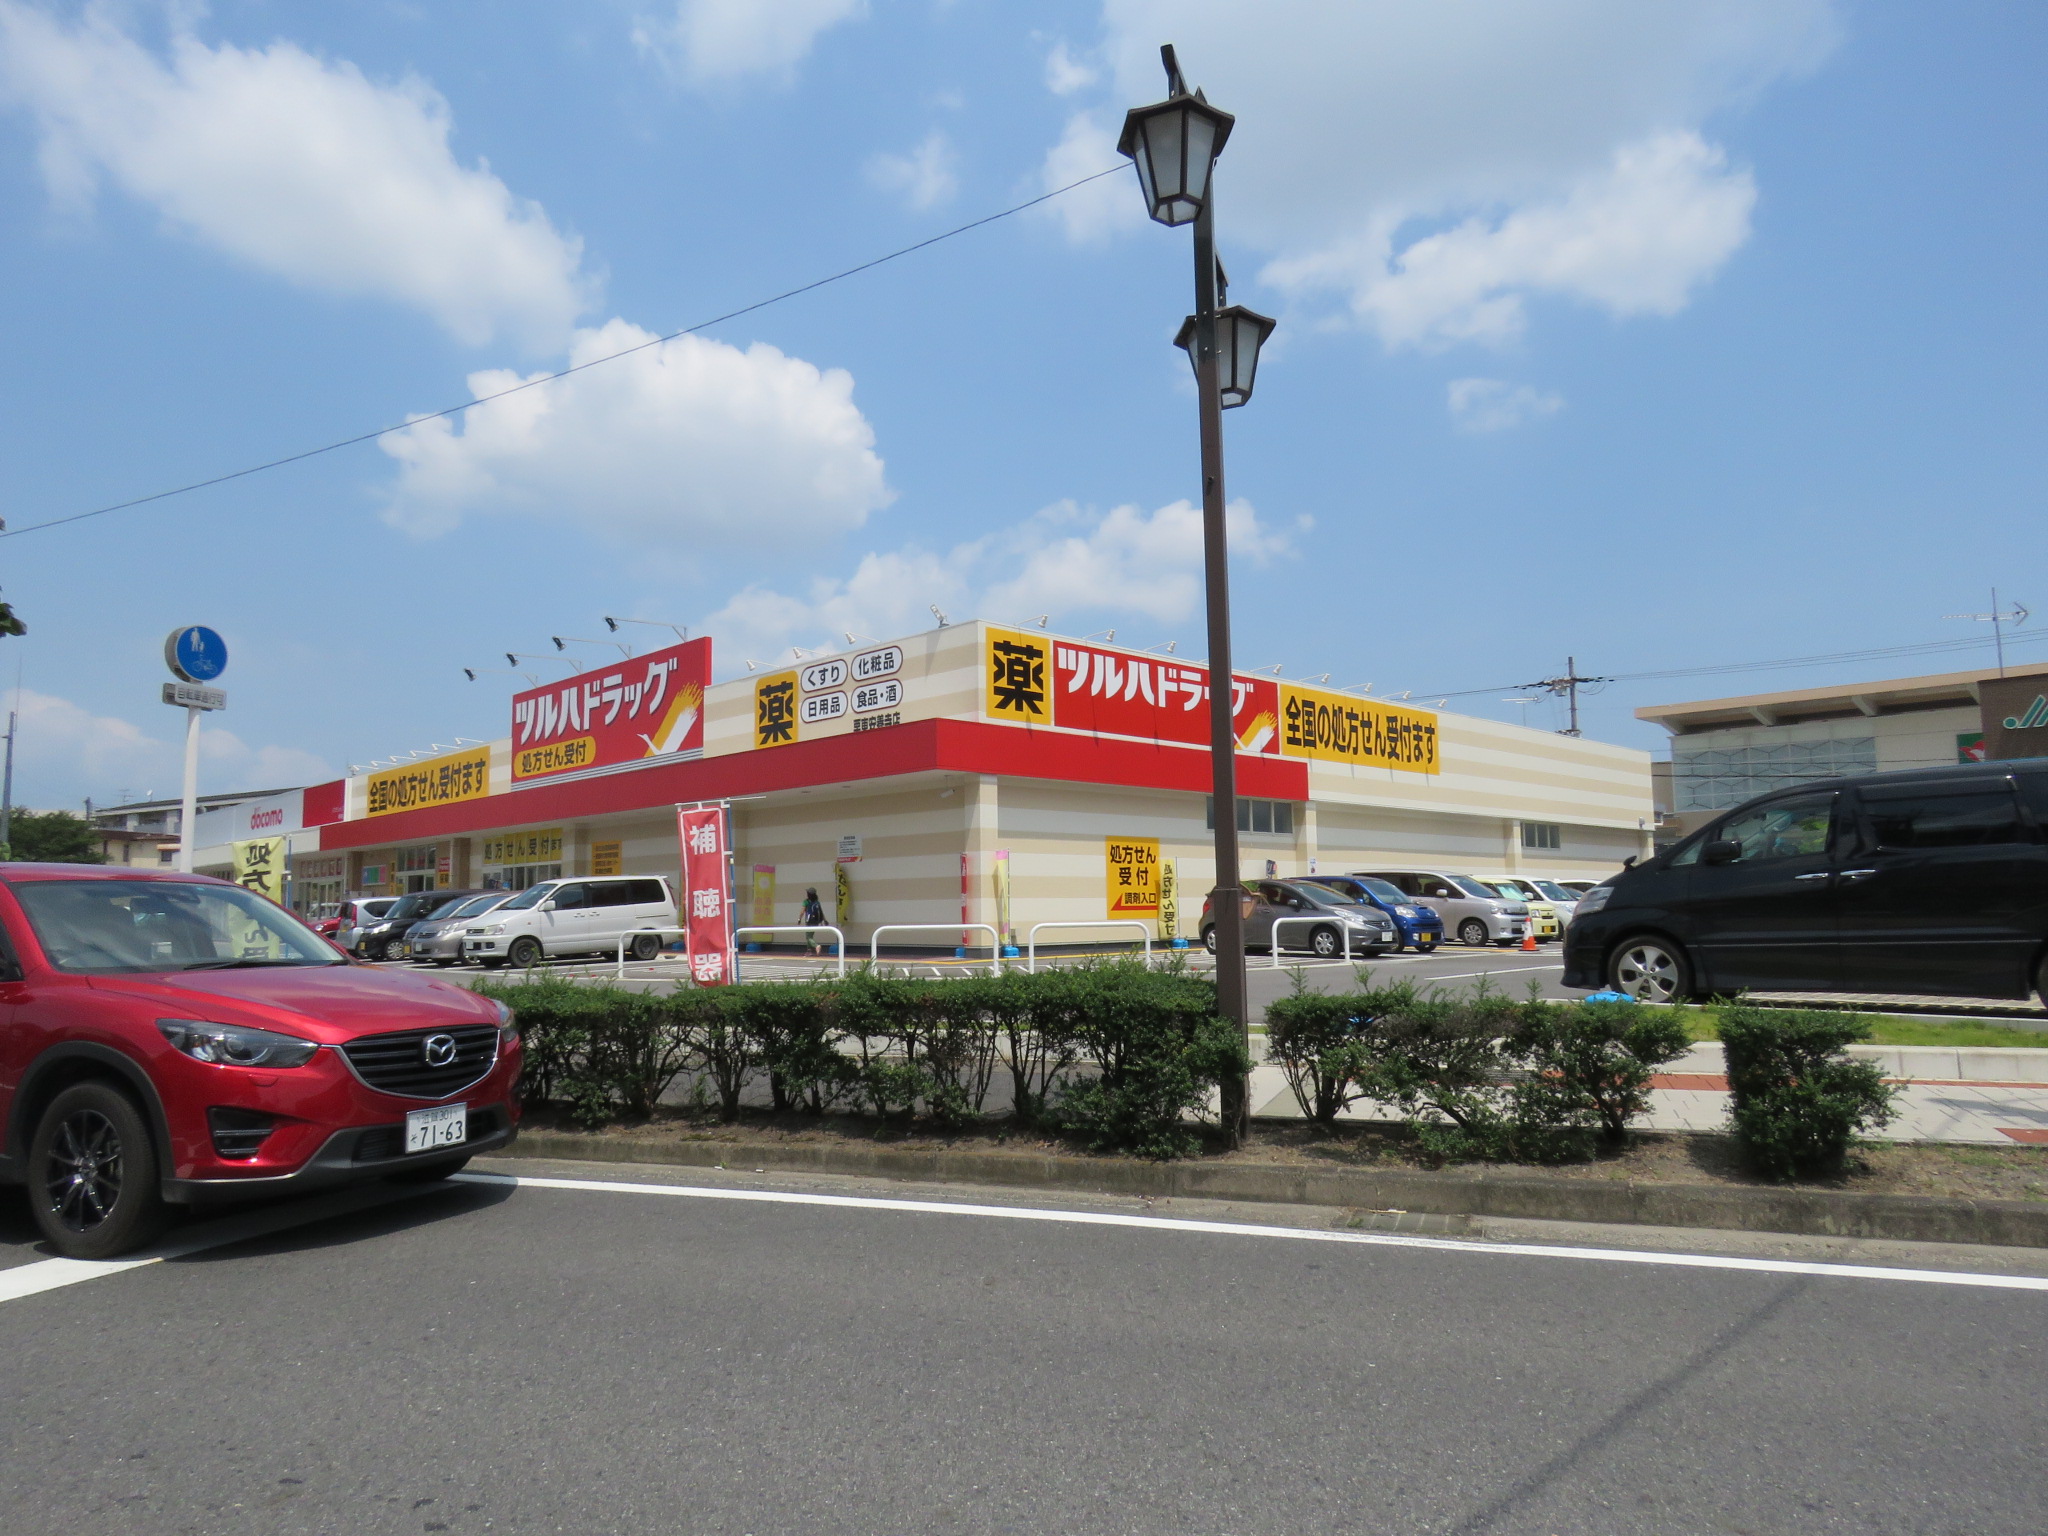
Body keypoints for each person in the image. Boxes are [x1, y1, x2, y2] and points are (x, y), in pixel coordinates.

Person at [800, 886, 827, 955]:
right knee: (810, 936)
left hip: (809, 921)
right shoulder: (817, 902)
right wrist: (825, 920)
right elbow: (821, 912)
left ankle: (816, 946)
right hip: (816, 921)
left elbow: (802, 912)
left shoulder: (806, 902)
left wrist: (799, 919)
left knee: (808, 937)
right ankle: (809, 951)